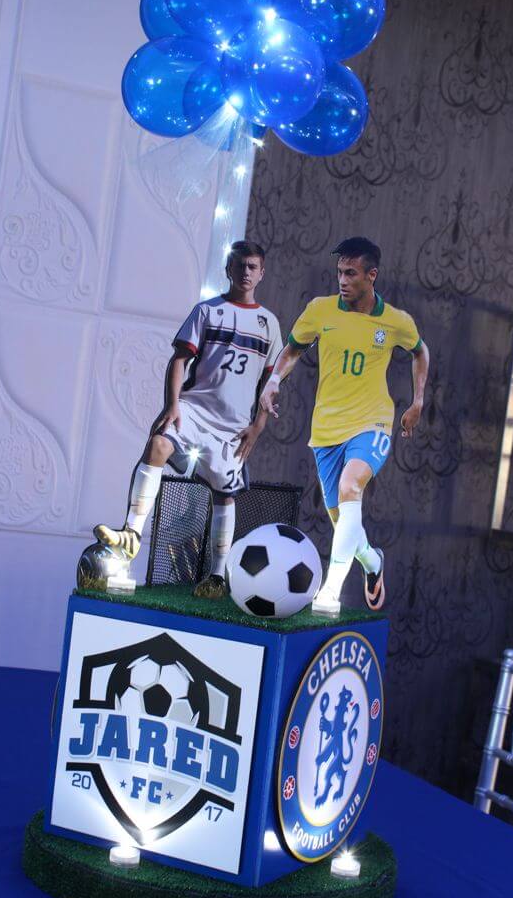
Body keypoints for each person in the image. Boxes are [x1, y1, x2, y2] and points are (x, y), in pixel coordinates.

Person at [95, 240, 282, 598]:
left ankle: (216, 576)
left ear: (261, 273)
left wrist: (258, 425)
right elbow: (180, 359)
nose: (245, 272)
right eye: (239, 265)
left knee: (224, 494)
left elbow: (270, 383)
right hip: (195, 409)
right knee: (158, 444)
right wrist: (173, 404)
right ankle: (131, 535)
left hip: (234, 424)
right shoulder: (207, 311)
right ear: (228, 269)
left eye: (252, 267)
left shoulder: (269, 324)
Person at [259, 236, 429, 616]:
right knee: (344, 526)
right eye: (339, 272)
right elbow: (293, 350)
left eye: (350, 273)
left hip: (373, 423)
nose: (342, 279)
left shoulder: (395, 321)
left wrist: (417, 401)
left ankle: (331, 590)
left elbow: (420, 352)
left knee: (353, 486)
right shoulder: (320, 310)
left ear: (372, 276)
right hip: (326, 431)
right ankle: (372, 562)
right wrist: (273, 381)